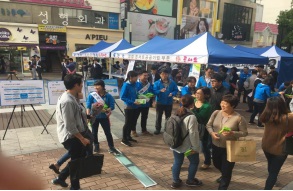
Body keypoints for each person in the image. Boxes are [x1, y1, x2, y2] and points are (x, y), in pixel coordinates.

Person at [51, 74, 90, 190]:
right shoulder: (67, 101)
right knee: (76, 162)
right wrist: (82, 139)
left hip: (76, 135)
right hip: (71, 137)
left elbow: (78, 117)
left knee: (77, 160)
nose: (82, 85)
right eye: (81, 83)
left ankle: (61, 178)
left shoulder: (73, 97)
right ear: (75, 85)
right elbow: (70, 126)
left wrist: (92, 114)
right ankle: (74, 187)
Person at [206, 94, 248, 190]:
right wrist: (212, 133)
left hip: (230, 147)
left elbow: (244, 133)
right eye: (222, 103)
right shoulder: (216, 113)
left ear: (232, 105)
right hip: (216, 145)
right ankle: (224, 174)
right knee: (216, 163)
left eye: (225, 104)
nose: (222, 105)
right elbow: (208, 125)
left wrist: (232, 133)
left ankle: (223, 185)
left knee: (227, 170)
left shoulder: (239, 118)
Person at [260, 96, 293, 190]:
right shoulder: (289, 117)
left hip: (266, 146)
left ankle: (272, 180)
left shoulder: (265, 116)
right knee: (274, 172)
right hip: (280, 149)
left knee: (271, 166)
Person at [171, 95, 202, 189]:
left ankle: (175, 181)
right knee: (194, 162)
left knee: (177, 162)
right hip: (188, 145)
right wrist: (196, 147)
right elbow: (193, 133)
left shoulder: (176, 112)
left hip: (176, 143)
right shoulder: (191, 117)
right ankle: (190, 180)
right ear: (192, 104)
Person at [86, 80, 119, 154]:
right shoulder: (92, 95)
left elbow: (112, 106)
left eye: (98, 85)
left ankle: (111, 147)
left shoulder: (108, 96)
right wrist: (88, 116)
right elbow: (88, 106)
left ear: (102, 86)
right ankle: (96, 145)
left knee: (108, 132)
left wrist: (107, 109)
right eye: (95, 86)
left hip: (104, 117)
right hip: (94, 117)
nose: (96, 87)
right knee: (94, 133)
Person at [192, 87, 212, 170]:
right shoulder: (194, 101)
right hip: (192, 126)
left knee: (204, 146)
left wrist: (193, 110)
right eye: (196, 93)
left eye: (199, 93)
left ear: (205, 95)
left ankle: (207, 161)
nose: (197, 95)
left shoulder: (207, 106)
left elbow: (201, 118)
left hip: (202, 128)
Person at [153, 69, 178, 135]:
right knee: (158, 116)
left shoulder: (172, 82)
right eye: (162, 74)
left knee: (168, 116)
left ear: (168, 74)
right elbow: (154, 91)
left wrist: (172, 93)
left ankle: (167, 129)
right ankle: (157, 129)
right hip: (160, 102)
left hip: (169, 102)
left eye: (166, 74)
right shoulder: (156, 83)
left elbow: (176, 90)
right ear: (160, 75)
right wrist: (160, 91)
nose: (164, 75)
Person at [120, 71, 140, 147]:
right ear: (131, 77)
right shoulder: (126, 85)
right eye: (136, 77)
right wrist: (132, 102)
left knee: (132, 122)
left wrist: (141, 99)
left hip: (135, 106)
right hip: (129, 107)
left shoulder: (135, 84)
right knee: (127, 123)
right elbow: (123, 97)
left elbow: (136, 94)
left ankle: (128, 136)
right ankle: (124, 139)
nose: (137, 78)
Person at [133, 70, 154, 136]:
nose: (146, 77)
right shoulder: (135, 84)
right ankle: (133, 130)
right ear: (139, 76)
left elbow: (152, 91)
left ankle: (144, 130)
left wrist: (151, 95)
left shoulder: (149, 84)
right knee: (135, 117)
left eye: (147, 75)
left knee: (144, 117)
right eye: (144, 75)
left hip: (146, 103)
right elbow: (134, 94)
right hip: (138, 103)